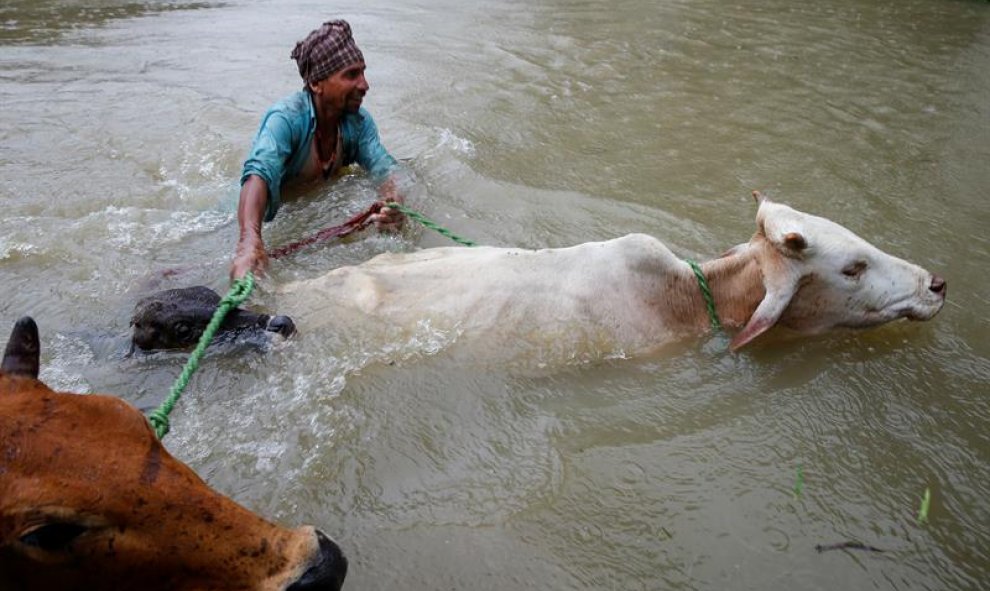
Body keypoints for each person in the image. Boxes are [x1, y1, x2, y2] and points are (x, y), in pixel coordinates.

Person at [230, 19, 405, 281]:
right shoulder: (286, 119)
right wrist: (248, 242)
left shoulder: (358, 123)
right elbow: (258, 174)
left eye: (363, 72)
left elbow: (384, 168)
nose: (365, 85)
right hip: (241, 216)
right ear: (316, 84)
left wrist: (393, 203)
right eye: (351, 74)